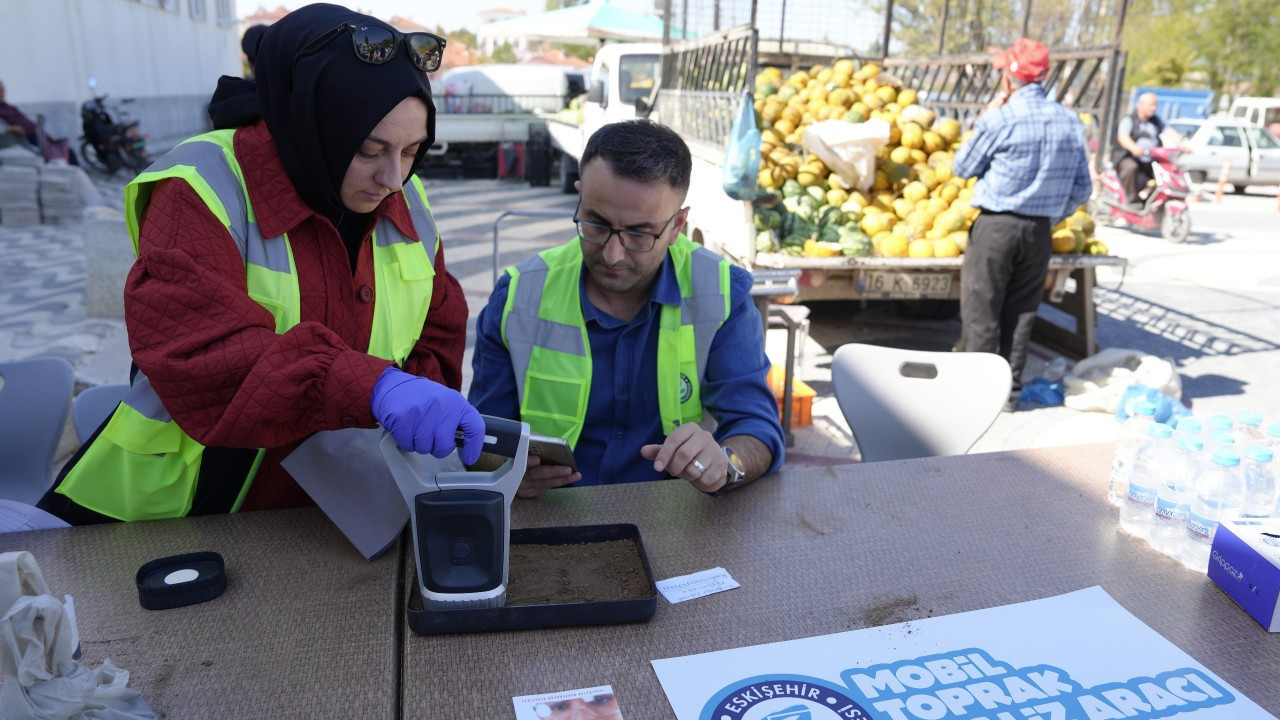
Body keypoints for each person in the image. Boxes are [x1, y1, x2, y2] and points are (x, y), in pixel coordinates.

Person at [39, 3, 478, 524]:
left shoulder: (406, 197)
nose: (392, 178)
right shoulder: (199, 187)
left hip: (332, 514)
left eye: (412, 152)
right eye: (368, 149)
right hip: (173, 517)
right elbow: (206, 352)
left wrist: (426, 421)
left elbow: (437, 330)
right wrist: (373, 387)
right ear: (312, 120)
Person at [470, 120, 784, 497]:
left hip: (676, 525)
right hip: (550, 518)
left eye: (639, 234)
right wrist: (506, 471)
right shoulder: (519, 296)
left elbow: (758, 428)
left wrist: (727, 464)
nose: (612, 254)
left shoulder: (720, 293)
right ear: (579, 197)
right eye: (596, 224)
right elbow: (481, 438)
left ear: (677, 226)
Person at [953, 38, 1092, 412]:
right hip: (1039, 232)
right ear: (1043, 77)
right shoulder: (1069, 121)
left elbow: (962, 167)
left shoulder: (1001, 118)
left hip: (996, 227)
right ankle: (1008, 397)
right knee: (1021, 314)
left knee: (982, 313)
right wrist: (1050, 212)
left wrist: (987, 115)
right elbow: (1083, 187)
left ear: (1009, 80)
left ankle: (975, 400)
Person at [1113, 92, 1170, 207]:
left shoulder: (1155, 121)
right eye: (1150, 105)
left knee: (1164, 172)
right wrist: (1133, 148)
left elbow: (1169, 131)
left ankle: (1154, 202)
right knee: (1130, 167)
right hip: (1130, 157)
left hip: (1150, 160)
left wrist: (1183, 145)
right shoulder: (1129, 120)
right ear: (1140, 105)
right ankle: (1131, 201)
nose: (1153, 108)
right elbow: (1123, 137)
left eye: (1155, 105)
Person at [0, 80, 76, 164]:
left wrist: (45, 134)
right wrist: (11, 128)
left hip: (37, 134)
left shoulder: (9, 107)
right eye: (0, 90)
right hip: (25, 140)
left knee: (67, 150)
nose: (2, 93)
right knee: (62, 153)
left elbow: (27, 121)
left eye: (3, 90)